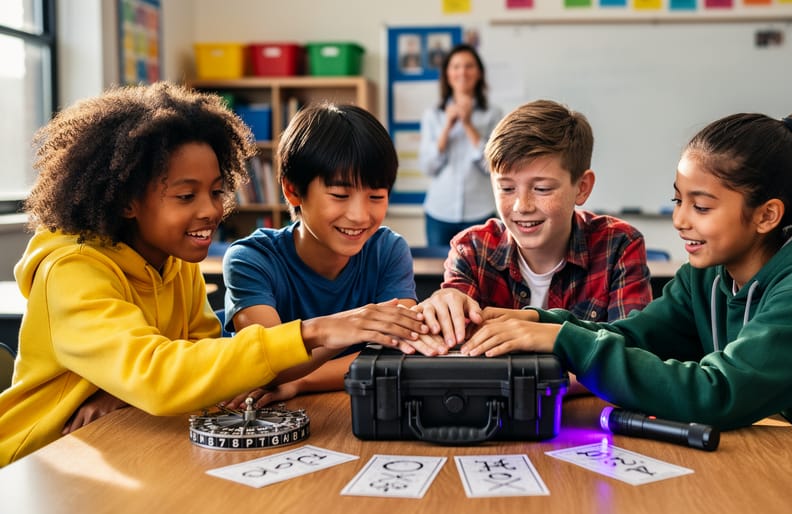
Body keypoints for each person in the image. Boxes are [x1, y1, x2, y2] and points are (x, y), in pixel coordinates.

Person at [457, 112, 792, 508]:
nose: (680, 220)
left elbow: (716, 394)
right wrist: (540, 321)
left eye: (701, 206)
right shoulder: (708, 275)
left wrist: (562, 340)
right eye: (678, 200)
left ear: (766, 216)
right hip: (786, 469)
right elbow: (635, 335)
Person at [0, 83, 434, 467]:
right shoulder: (71, 270)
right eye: (186, 195)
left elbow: (208, 362)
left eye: (216, 191)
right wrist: (319, 331)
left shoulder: (176, 262)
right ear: (127, 200)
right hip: (42, 457)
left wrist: (121, 391)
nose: (210, 211)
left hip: (129, 437)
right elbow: (157, 375)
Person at [222, 102, 442, 409]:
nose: (359, 215)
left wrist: (301, 381)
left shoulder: (388, 250)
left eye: (376, 197)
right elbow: (269, 366)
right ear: (293, 190)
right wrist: (350, 327)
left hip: (350, 405)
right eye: (340, 195)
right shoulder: (251, 258)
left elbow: (397, 351)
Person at [417, 100, 652, 348]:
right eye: (506, 188)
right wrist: (445, 304)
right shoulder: (472, 248)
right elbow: (454, 338)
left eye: (542, 188)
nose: (522, 206)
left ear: (581, 188)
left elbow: (630, 353)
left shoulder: (618, 245)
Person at [419, 43, 503, 247]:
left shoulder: (494, 114)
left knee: (483, 275)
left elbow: (492, 166)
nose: (462, 72)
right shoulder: (433, 115)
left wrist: (467, 124)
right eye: (456, 66)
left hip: (480, 211)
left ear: (479, 73)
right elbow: (428, 167)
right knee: (438, 275)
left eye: (469, 66)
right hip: (439, 212)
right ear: (447, 73)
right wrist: (447, 127)